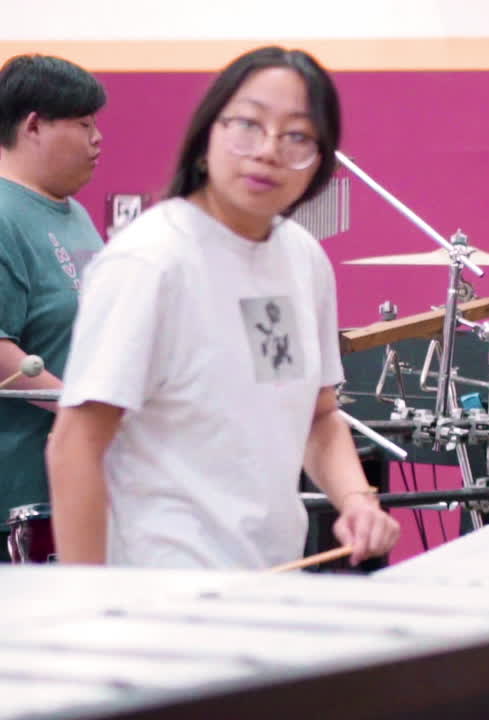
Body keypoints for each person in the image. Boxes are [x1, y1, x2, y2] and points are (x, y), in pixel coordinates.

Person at [46, 46, 399, 568]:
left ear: (320, 162)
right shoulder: (151, 260)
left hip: (270, 575)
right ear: (208, 133)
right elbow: (74, 446)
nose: (268, 151)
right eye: (248, 125)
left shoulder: (303, 259)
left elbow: (318, 415)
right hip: (160, 591)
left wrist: (356, 499)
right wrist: (91, 602)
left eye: (298, 136)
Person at [0, 54, 106, 561]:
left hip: (80, 478)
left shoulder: (77, 214)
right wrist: (90, 411)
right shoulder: (2, 213)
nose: (97, 137)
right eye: (83, 123)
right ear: (34, 125)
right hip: (18, 491)